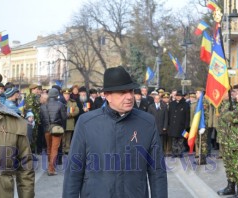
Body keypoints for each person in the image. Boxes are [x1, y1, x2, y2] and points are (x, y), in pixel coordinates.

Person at [63, 66, 167, 197]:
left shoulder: (147, 123)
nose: (129, 96)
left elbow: (158, 172)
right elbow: (73, 172)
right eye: (122, 92)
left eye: (131, 91)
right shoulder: (86, 123)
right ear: (107, 96)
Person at [40, 88, 67, 176]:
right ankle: (51, 169)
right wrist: (63, 128)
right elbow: (64, 118)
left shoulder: (43, 106)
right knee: (54, 149)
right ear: (56, 95)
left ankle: (49, 166)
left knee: (49, 148)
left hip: (46, 129)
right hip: (57, 129)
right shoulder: (61, 105)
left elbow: (41, 119)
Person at [167, 91, 190, 158]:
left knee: (181, 140)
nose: (178, 97)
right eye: (177, 96)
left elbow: (187, 116)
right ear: (175, 96)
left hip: (182, 126)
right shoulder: (171, 104)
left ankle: (180, 153)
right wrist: (169, 124)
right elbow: (169, 115)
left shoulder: (185, 104)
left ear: (182, 96)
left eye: (179, 96)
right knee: (174, 140)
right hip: (173, 126)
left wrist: (186, 126)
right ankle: (174, 153)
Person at [62, 88, 79, 154]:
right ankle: (62, 149)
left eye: (68, 94)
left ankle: (67, 149)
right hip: (62, 122)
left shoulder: (72, 102)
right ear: (63, 94)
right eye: (65, 94)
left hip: (69, 122)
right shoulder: (60, 102)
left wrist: (70, 114)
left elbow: (77, 110)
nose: (67, 96)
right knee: (62, 137)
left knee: (68, 137)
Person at [25, 83, 41, 153]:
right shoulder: (31, 97)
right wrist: (31, 118)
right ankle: (31, 152)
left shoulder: (35, 96)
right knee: (32, 136)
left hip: (36, 118)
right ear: (32, 89)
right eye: (36, 89)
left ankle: (32, 152)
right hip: (32, 119)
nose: (37, 90)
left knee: (35, 136)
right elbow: (30, 108)